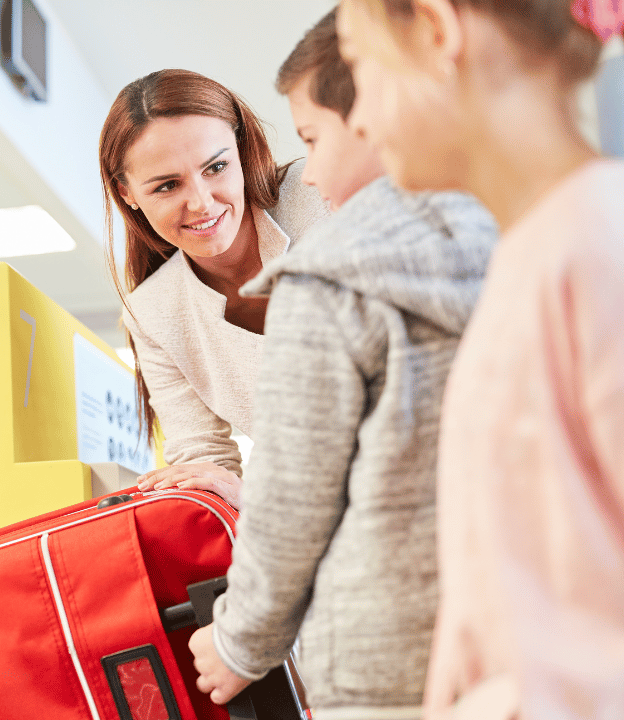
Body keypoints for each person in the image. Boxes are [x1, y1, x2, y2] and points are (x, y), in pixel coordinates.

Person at [185, 11, 497, 718]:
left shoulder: (327, 280)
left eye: (312, 139)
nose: (313, 174)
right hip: (509, 641)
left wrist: (237, 642)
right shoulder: (503, 236)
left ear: (377, 112)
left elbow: (293, 499)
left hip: (380, 661)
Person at [336, 1, 624, 718]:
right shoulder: (533, 252)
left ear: (438, 31)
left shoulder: (601, 244)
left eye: (357, 64)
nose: (359, 118)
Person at [99, 69, 329, 507]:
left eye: (216, 167)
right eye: (167, 185)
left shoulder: (322, 196)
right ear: (127, 193)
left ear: (241, 152)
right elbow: (203, 462)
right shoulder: (152, 311)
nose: (202, 203)